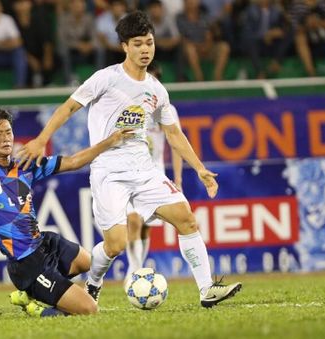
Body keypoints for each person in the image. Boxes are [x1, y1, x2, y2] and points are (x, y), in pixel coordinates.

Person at [18, 11, 241, 308]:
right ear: (124, 46)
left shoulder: (156, 89)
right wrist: (41, 140)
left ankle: (207, 289)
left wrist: (199, 168)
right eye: (138, 44)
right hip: (108, 170)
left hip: (144, 169)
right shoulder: (106, 79)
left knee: (186, 219)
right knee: (116, 245)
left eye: (149, 42)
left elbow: (173, 134)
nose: (145, 49)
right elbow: (69, 107)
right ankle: (93, 283)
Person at [0, 107, 133, 317]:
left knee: (87, 262)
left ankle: (33, 293)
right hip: (26, 263)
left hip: (44, 243)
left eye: (8, 132)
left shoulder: (25, 164)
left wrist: (110, 142)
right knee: (89, 309)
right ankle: (38, 308)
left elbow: (74, 162)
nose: (6, 139)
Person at [124, 61, 183, 282]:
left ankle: (137, 268)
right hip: (130, 172)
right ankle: (135, 270)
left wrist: (177, 178)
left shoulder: (167, 109)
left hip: (154, 173)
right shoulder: (129, 107)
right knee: (133, 221)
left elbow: (176, 145)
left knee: (146, 227)